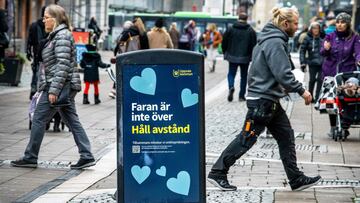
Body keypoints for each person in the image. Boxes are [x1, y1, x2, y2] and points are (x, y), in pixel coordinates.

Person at [207, 7, 322, 192]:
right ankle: (218, 172)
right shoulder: (275, 42)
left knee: (286, 137)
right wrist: (302, 91)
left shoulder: (269, 39)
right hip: (263, 102)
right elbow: (283, 74)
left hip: (269, 100)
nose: (297, 26)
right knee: (246, 138)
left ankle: (296, 178)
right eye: (295, 23)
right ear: (285, 24)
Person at [10, 4, 95, 169]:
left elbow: (62, 65)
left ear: (54, 19)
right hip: (64, 85)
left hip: (59, 85)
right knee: (71, 120)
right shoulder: (56, 35)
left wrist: (54, 90)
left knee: (39, 118)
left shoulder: (61, 36)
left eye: (46, 17)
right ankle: (86, 155)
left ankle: (30, 157)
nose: (43, 21)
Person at [320, 12, 360, 138]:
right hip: (330, 71)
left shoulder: (354, 37)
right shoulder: (330, 36)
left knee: (346, 99)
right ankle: (333, 127)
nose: (340, 24)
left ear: (348, 24)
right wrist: (326, 49)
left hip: (347, 72)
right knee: (332, 101)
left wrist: (359, 59)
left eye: (343, 22)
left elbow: (358, 52)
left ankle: (344, 123)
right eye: (338, 22)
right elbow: (322, 53)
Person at [222, 12, 257, 101]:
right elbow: (254, 44)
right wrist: (252, 56)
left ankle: (231, 86)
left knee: (231, 73)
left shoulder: (231, 28)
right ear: (246, 19)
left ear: (238, 18)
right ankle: (241, 96)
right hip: (245, 57)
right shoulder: (250, 30)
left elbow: (224, 41)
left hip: (232, 56)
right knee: (244, 76)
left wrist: (225, 52)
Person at [300, 21, 324, 103]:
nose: (315, 30)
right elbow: (302, 50)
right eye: (314, 28)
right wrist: (303, 62)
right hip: (312, 62)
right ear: (311, 29)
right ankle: (310, 96)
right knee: (312, 80)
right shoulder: (307, 38)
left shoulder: (323, 37)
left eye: (317, 28)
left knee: (320, 80)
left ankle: (318, 97)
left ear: (319, 29)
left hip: (322, 63)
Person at [27, 6, 48, 100]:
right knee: (40, 71)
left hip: (37, 52)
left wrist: (28, 51)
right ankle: (37, 91)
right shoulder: (38, 25)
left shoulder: (34, 25)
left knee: (36, 71)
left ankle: (34, 91)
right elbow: (30, 39)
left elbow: (29, 40)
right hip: (45, 52)